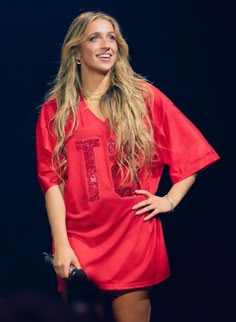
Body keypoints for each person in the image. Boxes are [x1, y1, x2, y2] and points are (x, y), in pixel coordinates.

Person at [35, 11, 220, 322]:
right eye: (95, 37)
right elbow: (50, 181)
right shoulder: (55, 110)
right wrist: (62, 245)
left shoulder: (143, 98)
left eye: (112, 37)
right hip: (78, 238)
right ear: (76, 53)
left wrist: (169, 200)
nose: (106, 44)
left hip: (133, 236)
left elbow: (192, 153)